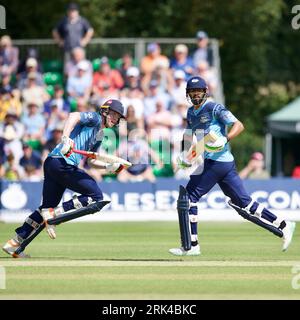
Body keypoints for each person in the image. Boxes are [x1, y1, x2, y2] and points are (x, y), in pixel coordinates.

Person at [169, 76, 296, 256]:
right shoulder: (190, 113)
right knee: (243, 202)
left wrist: (225, 138)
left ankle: (192, 245)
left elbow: (239, 125)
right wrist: (185, 155)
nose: (195, 96)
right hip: (221, 163)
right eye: (192, 93)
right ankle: (283, 224)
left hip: (218, 161)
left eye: (198, 92)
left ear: (205, 92)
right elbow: (189, 137)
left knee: (189, 197)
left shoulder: (214, 108)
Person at [2, 99, 125, 258]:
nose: (115, 119)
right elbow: (73, 116)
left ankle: (14, 243)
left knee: (45, 209)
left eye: (118, 117)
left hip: (54, 164)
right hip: (61, 163)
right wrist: (65, 138)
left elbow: (91, 160)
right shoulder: (94, 118)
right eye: (114, 114)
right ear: (105, 111)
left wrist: (108, 168)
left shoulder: (100, 134)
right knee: (96, 195)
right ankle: (55, 212)